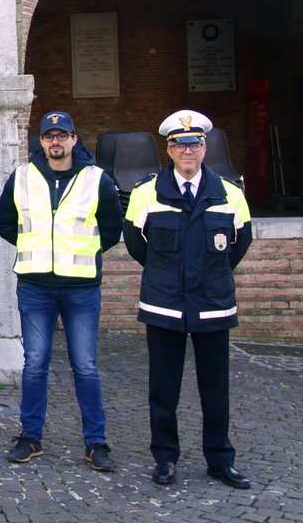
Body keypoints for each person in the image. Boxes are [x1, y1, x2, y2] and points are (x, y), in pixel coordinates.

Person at [123, 110, 254, 489]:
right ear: (169, 150)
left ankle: (220, 460)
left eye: (194, 144)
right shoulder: (146, 193)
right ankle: (165, 458)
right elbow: (137, 245)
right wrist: (168, 274)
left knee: (216, 389)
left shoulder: (230, 193)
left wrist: (210, 275)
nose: (187, 151)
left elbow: (238, 244)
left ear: (204, 148)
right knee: (163, 390)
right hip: (164, 303)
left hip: (213, 303)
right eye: (179, 145)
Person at [0, 111, 123, 471]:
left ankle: (96, 443)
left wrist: (82, 253)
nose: (55, 141)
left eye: (62, 135)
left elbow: (111, 228)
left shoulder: (96, 178)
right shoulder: (22, 176)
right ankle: (30, 436)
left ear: (73, 139)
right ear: (41, 141)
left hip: (81, 286)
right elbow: (5, 222)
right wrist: (36, 249)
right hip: (35, 285)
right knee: (35, 364)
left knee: (85, 366)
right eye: (49, 136)